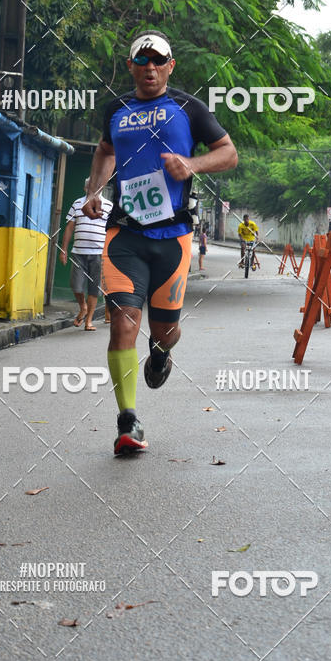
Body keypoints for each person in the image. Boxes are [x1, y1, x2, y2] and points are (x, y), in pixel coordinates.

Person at [82, 29, 237, 455]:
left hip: (173, 236)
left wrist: (192, 164)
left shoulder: (190, 108)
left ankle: (161, 353)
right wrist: (95, 191)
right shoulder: (117, 109)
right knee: (122, 322)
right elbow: (104, 151)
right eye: (141, 61)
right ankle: (128, 421)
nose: (149, 68)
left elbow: (228, 153)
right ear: (130, 66)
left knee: (164, 330)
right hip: (125, 234)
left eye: (158, 61)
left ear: (170, 66)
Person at [59, 178, 113, 331]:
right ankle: (83, 306)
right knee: (76, 285)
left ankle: (89, 320)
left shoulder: (109, 206)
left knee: (94, 287)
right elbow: (69, 227)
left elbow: (112, 231)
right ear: (85, 188)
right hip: (78, 252)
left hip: (98, 253)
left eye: (96, 186)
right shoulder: (77, 204)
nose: (93, 188)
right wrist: (63, 249)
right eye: (90, 186)